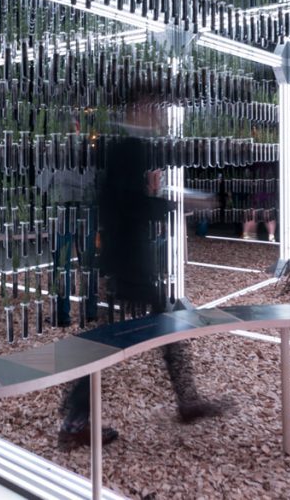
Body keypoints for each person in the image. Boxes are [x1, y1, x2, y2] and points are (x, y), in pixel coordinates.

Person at [57, 99, 232, 450]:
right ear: (138, 110)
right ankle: (75, 421)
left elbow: (122, 202)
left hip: (126, 258)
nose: (159, 116)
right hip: (128, 261)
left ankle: (185, 401)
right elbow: (128, 205)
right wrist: (178, 203)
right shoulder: (129, 148)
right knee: (112, 339)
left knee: (145, 330)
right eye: (153, 109)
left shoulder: (127, 147)